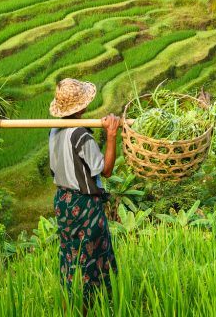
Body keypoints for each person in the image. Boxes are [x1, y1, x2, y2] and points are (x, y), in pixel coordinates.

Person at [48, 78, 122, 309]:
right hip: (84, 204)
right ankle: (94, 307)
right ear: (82, 107)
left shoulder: (53, 129)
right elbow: (106, 170)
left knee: (70, 254)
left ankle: (70, 303)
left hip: (63, 202)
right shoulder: (81, 135)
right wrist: (111, 135)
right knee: (93, 258)